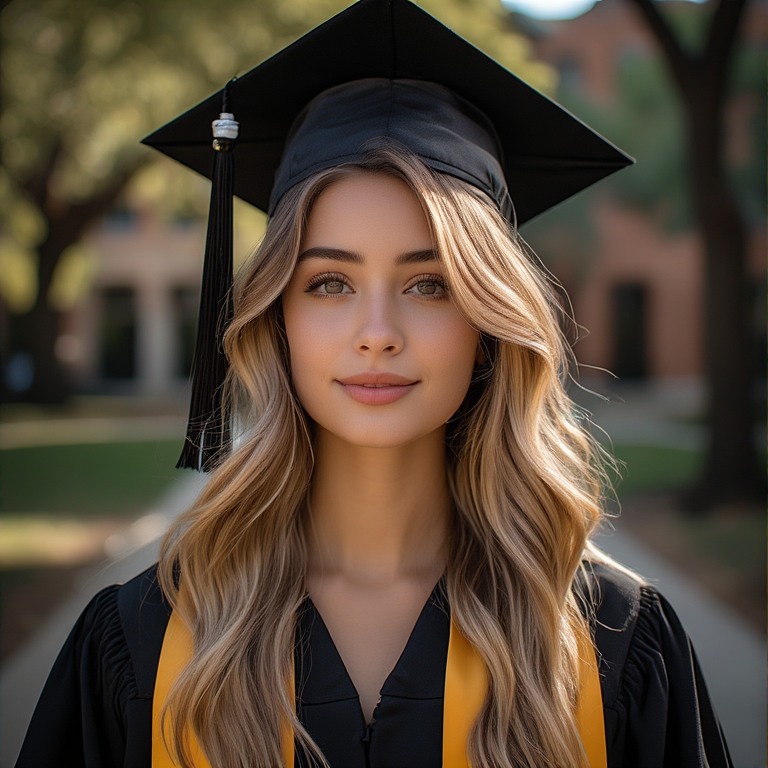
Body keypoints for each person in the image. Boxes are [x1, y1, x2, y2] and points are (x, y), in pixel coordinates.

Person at [16, 2, 731, 767]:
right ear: (276, 318)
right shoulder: (144, 641)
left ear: (488, 326)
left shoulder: (613, 645)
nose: (378, 332)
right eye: (330, 283)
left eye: (431, 285)